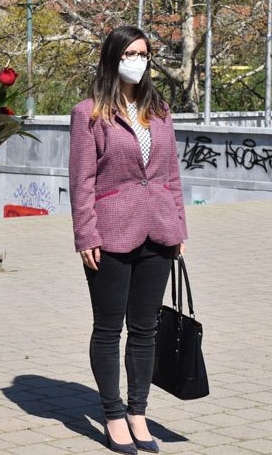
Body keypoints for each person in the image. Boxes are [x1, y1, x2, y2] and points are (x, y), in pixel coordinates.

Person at [68, 26, 188, 454]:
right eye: (129, 54)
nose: (138, 61)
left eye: (143, 53)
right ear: (112, 59)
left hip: (159, 230)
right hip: (110, 233)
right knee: (108, 328)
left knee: (145, 329)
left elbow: (171, 174)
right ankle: (113, 415)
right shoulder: (89, 113)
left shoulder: (160, 110)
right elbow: (81, 180)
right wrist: (86, 233)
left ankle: (138, 412)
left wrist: (179, 227)